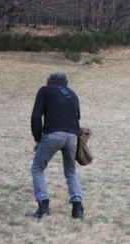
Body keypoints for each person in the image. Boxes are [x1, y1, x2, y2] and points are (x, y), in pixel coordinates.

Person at [27, 72, 84, 219]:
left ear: (49, 81)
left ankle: (43, 206)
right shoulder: (73, 94)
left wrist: (37, 138)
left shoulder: (45, 90)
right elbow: (77, 117)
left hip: (53, 134)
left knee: (37, 167)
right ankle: (77, 209)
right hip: (72, 136)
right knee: (71, 171)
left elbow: (36, 116)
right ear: (65, 83)